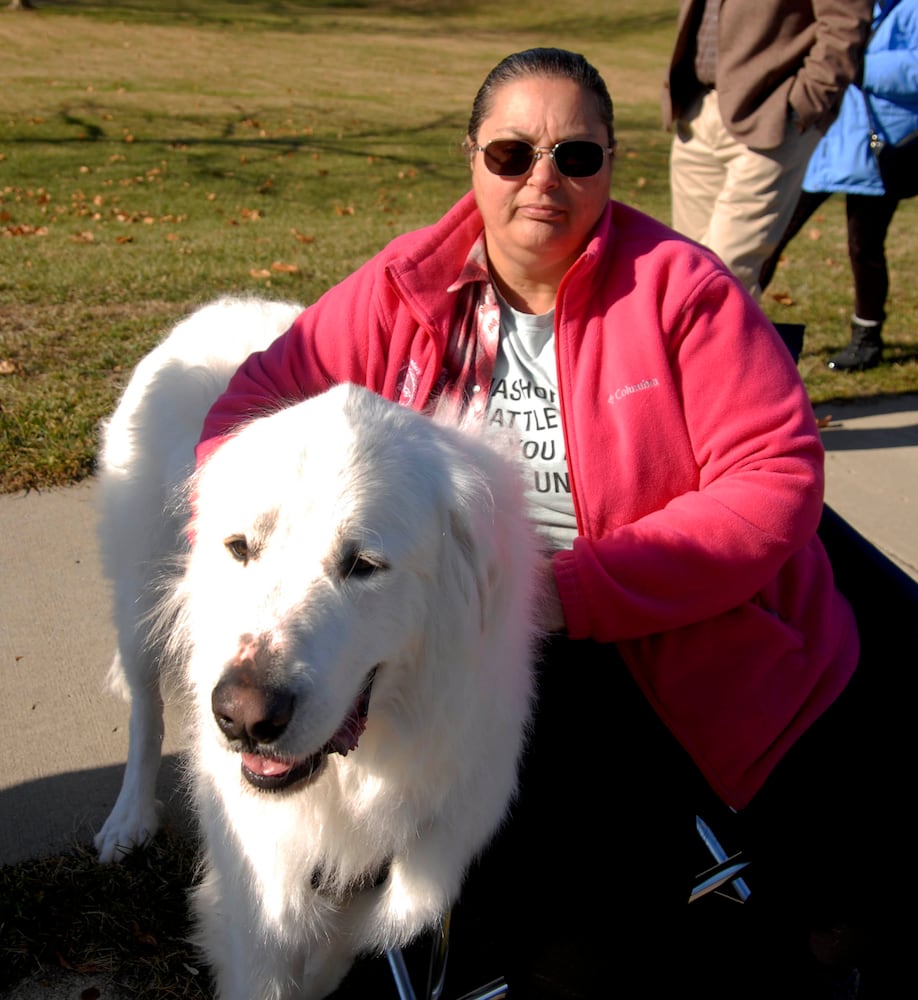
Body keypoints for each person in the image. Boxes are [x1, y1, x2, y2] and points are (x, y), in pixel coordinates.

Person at [195, 48, 911, 997]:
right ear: (471, 159)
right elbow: (243, 414)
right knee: (551, 930)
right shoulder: (405, 288)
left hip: (659, 633)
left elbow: (774, 479)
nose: (544, 180)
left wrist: (562, 595)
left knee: (806, 933)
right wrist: (262, 536)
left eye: (577, 156)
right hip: (481, 642)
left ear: (613, 164)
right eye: (511, 154)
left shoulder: (678, 289)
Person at [662, 0, 872, 298]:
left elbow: (844, 25)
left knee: (723, 278)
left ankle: (734, 345)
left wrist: (802, 105)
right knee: (687, 269)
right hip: (696, 107)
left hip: (771, 116)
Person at [760, 0, 918, 371]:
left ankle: (866, 338)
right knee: (769, 233)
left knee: (865, 247)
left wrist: (850, 65)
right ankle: (732, 322)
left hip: (880, 146)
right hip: (821, 141)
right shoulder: (835, 5)